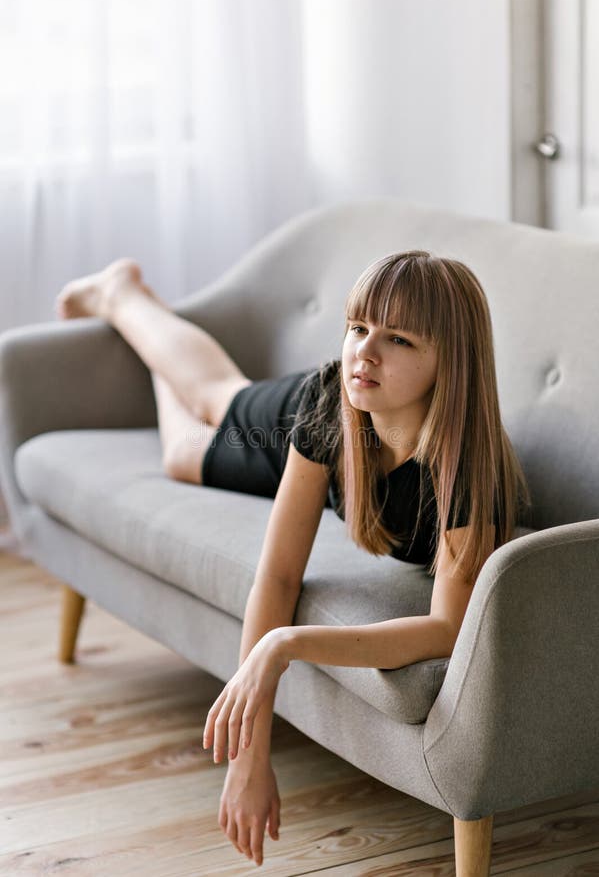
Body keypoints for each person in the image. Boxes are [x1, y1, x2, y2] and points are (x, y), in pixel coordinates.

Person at [55, 250, 531, 867]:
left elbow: (445, 631)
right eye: (357, 328)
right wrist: (250, 759)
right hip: (291, 420)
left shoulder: (469, 474)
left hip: (337, 439)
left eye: (397, 339)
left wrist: (284, 645)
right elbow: (279, 573)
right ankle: (124, 297)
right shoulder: (333, 396)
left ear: (450, 363)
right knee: (209, 405)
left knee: (187, 443)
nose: (365, 351)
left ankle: (138, 325)